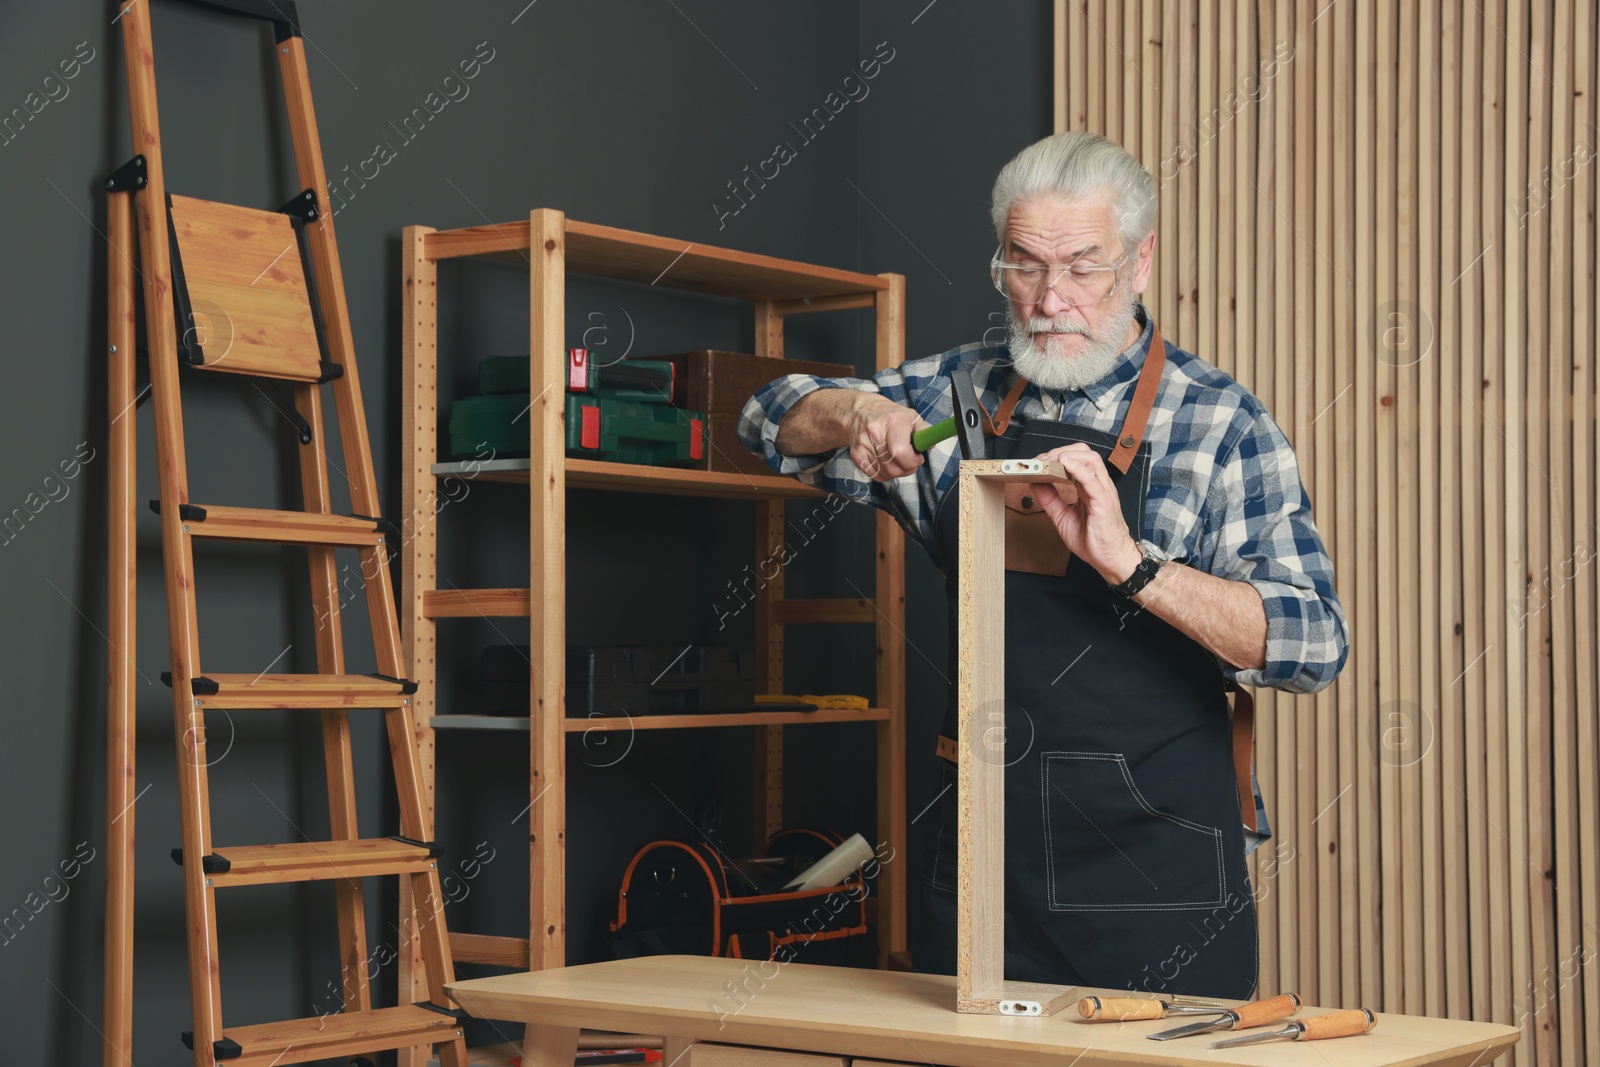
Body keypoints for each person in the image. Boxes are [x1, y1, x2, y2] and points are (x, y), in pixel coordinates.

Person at [737, 131, 1348, 998]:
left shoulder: (1219, 425)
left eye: (1081, 267)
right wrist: (853, 412)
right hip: (986, 873)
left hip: (1156, 878)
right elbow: (764, 419)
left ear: (1139, 265)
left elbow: (1314, 644)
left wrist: (1136, 566)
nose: (1048, 298)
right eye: (1022, 264)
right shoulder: (962, 395)